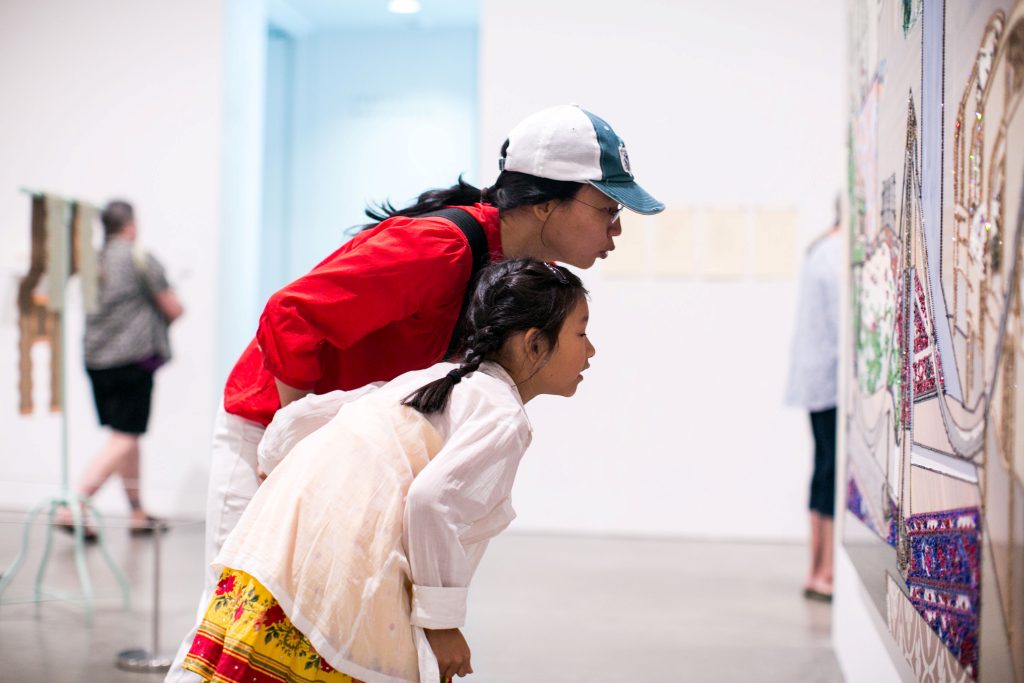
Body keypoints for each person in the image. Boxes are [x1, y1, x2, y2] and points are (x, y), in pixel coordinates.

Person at [166, 104, 663, 682]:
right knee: (234, 624)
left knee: (306, 638)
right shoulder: (442, 248)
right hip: (272, 431)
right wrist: (286, 445)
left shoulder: (511, 273)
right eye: (607, 209)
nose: (617, 230)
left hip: (327, 449)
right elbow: (290, 316)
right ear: (546, 201)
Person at [181, 259, 594, 683]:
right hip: (341, 570)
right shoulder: (501, 416)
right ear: (534, 345)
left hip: (278, 546)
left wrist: (274, 461)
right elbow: (431, 503)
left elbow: (302, 416)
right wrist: (442, 624)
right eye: (581, 333)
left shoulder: (439, 377)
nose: (591, 350)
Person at [56, 200, 184, 539]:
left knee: (125, 435)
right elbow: (173, 307)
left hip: (96, 360)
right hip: (132, 360)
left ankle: (137, 512)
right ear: (130, 225)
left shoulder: (92, 261)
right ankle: (74, 504)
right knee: (125, 437)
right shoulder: (139, 257)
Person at [784, 206, 841, 602]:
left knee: (823, 468)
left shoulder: (820, 248)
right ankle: (823, 571)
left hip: (818, 378)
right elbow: (844, 320)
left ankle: (818, 569)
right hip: (830, 381)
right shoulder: (835, 252)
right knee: (829, 471)